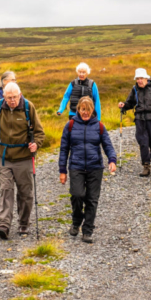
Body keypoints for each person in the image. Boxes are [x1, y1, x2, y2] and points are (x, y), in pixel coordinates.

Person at [0, 82, 45, 240]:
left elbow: (39, 132)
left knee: (25, 193)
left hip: (24, 157)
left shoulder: (28, 107)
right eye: (9, 97)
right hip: (3, 156)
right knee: (6, 190)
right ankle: (3, 225)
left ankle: (24, 223)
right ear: (4, 96)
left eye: (14, 97)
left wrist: (36, 144)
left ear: (20, 95)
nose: (12, 100)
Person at [58, 97, 116, 243]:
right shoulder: (70, 125)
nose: (85, 112)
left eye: (88, 110)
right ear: (78, 109)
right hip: (76, 167)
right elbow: (64, 149)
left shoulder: (99, 126)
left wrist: (112, 160)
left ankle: (88, 230)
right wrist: (62, 170)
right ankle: (77, 220)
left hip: (95, 167)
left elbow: (108, 145)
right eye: (83, 109)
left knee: (92, 200)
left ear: (92, 111)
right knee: (77, 195)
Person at [118, 68, 151, 177]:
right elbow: (130, 103)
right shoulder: (135, 89)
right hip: (140, 119)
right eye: (137, 78)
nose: (139, 81)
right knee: (143, 142)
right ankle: (146, 166)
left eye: (141, 78)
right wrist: (123, 106)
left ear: (146, 78)